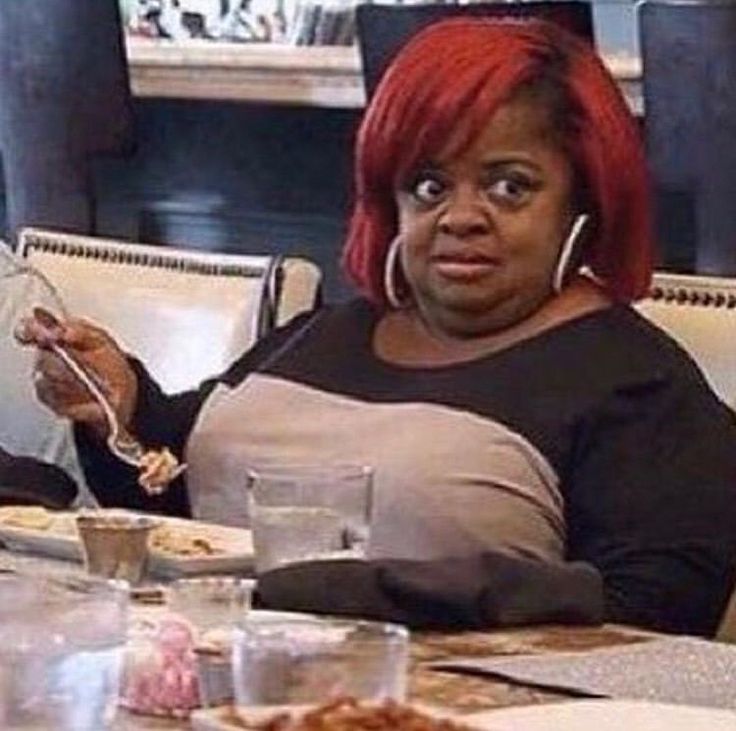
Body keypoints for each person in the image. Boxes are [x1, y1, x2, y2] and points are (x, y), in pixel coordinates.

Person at [18, 18, 736, 636]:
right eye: (429, 186)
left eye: (509, 185)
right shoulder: (329, 331)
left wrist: (368, 595)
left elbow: (659, 619)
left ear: (586, 204)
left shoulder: (635, 385)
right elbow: (186, 506)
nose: (460, 216)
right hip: (217, 677)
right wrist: (121, 407)